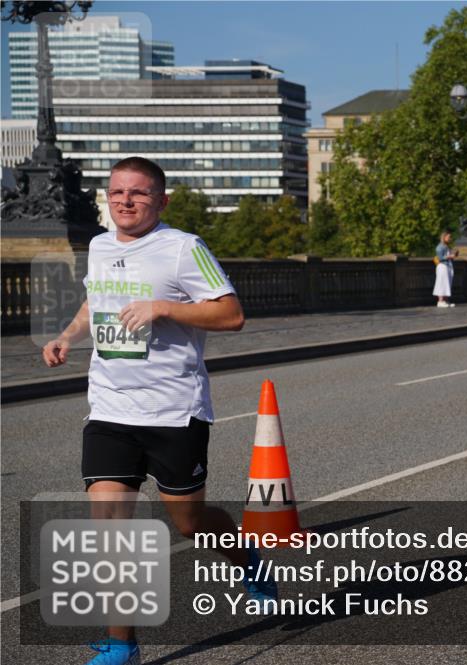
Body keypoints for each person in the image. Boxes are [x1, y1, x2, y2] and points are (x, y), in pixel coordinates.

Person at [41, 157, 277, 665]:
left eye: (140, 193)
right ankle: (121, 645)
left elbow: (231, 314)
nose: (126, 201)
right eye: (118, 192)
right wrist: (66, 336)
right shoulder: (100, 245)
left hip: (174, 412)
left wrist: (164, 307)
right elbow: (94, 302)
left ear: (162, 200)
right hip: (109, 409)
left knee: (190, 523)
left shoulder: (183, 248)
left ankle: (245, 557)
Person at [433, 231, 458, 307]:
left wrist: (453, 255)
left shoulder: (446, 246)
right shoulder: (440, 247)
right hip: (442, 266)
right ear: (444, 237)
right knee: (441, 283)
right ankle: (440, 301)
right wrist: (449, 256)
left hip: (447, 266)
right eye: (448, 237)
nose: (450, 239)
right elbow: (440, 258)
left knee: (447, 283)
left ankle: (446, 300)